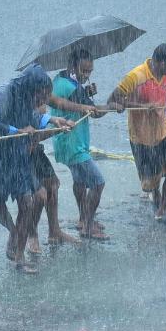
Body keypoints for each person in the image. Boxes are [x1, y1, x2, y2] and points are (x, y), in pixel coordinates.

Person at [0, 66, 74, 274]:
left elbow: (31, 116)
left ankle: (19, 257)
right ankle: (13, 231)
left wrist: (53, 120)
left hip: (16, 153)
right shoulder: (4, 94)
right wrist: (18, 130)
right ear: (33, 89)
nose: (43, 102)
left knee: (27, 201)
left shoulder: (28, 97)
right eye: (42, 96)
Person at [108, 44, 166, 220]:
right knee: (151, 182)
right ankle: (155, 198)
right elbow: (113, 100)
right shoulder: (136, 77)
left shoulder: (165, 74)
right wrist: (143, 107)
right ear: (161, 62)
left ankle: (162, 210)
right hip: (143, 136)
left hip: (164, 130)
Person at [51, 49, 116, 240]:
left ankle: (83, 218)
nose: (87, 75)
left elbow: (67, 100)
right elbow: (94, 112)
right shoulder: (74, 87)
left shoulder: (59, 80)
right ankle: (88, 226)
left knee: (79, 181)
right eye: (84, 71)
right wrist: (113, 106)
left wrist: (85, 91)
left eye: (90, 71)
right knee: (97, 183)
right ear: (73, 66)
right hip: (74, 144)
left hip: (64, 142)